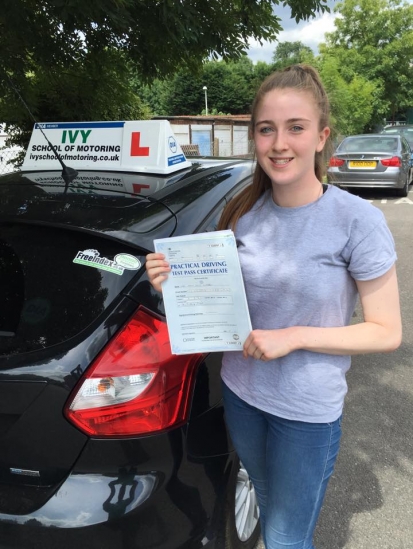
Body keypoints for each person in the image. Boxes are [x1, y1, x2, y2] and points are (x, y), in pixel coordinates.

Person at [145, 64, 402, 549]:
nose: (279, 143)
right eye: (267, 129)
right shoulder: (243, 214)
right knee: (264, 500)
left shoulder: (357, 221)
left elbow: (387, 331)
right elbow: (225, 304)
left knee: (285, 536)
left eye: (295, 128)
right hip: (242, 396)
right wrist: (172, 286)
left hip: (305, 413)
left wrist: (296, 336)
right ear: (255, 138)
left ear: (322, 137)